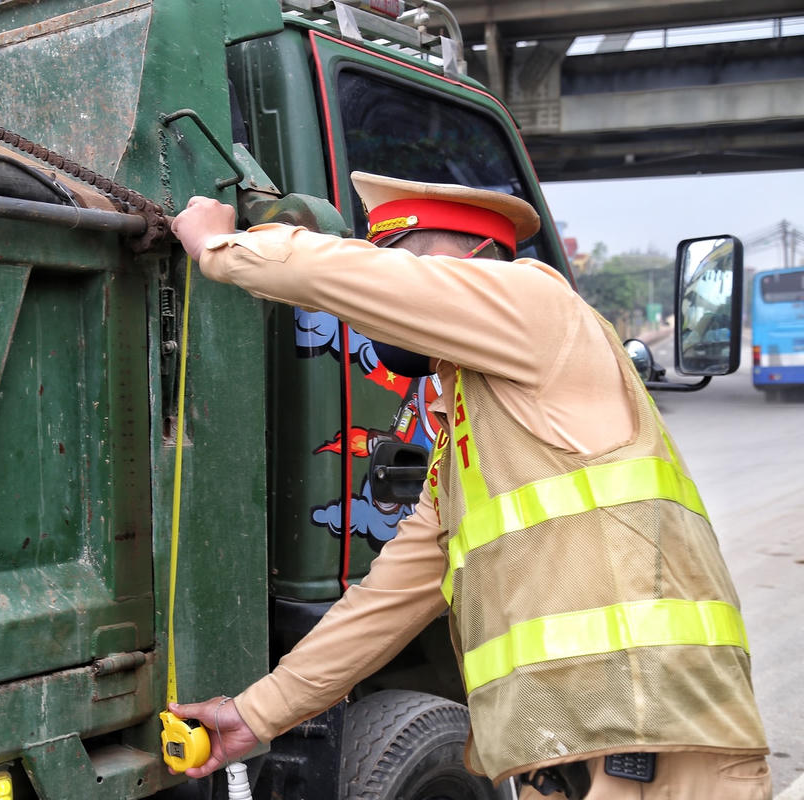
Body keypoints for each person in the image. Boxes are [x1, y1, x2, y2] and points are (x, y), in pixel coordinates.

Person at [167, 172, 770, 800]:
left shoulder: (536, 300)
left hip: (654, 738)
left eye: (401, 264)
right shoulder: (469, 441)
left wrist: (221, 246)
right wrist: (255, 715)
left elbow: (365, 281)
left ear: (474, 264)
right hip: (563, 754)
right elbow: (385, 602)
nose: (391, 310)